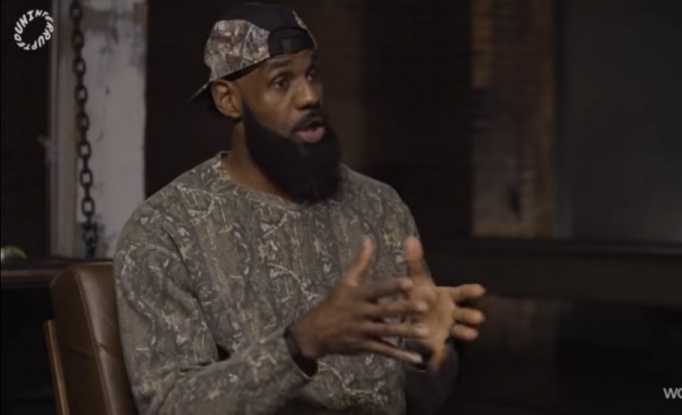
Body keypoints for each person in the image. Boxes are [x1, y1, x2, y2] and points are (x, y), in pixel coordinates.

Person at [114, 3, 486, 414]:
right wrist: (300, 344)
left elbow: (428, 399)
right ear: (228, 99)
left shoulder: (380, 206)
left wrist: (429, 352)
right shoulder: (166, 228)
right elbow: (170, 405)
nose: (310, 96)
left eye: (312, 74)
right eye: (281, 81)